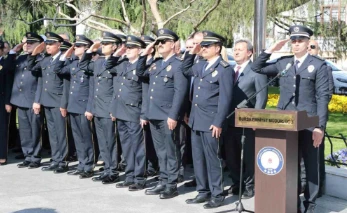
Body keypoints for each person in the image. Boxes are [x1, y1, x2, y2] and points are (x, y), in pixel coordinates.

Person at [251, 25, 330, 213]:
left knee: (310, 165)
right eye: (293, 41)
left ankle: (310, 205)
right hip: (285, 122)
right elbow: (257, 67)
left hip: (309, 122)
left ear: (308, 42)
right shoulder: (284, 63)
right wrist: (270, 50)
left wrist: (320, 126)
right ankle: (291, 202)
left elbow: (323, 97)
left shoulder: (319, 65)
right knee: (289, 164)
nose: (296, 44)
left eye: (300, 41)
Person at [182, 31, 233, 209]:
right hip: (196, 120)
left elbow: (225, 99)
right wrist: (192, 51)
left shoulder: (224, 69)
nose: (203, 49)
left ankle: (217, 194)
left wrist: (219, 122)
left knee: (213, 159)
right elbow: (185, 69)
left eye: (206, 46)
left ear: (217, 48)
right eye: (202, 46)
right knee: (198, 159)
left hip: (211, 122)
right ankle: (202, 191)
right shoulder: (200, 65)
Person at [140, 28, 189, 199]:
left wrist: (173, 115)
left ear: (172, 44)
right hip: (154, 114)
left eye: (163, 42)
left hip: (168, 115)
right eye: (158, 42)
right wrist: (144, 54)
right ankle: (163, 179)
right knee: (160, 150)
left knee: (171, 150)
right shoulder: (156, 63)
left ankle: (171, 184)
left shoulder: (178, 64)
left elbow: (180, 92)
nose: (159, 45)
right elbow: (141, 73)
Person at [223, 39, 268, 198]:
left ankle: (250, 185)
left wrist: (256, 119)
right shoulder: (229, 70)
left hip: (247, 121)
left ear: (249, 52)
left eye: (240, 49)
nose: (236, 52)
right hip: (229, 120)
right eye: (234, 49)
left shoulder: (256, 72)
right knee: (231, 155)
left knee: (248, 155)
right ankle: (237, 183)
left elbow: (262, 98)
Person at [79, 32, 121, 184]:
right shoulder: (98, 62)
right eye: (102, 44)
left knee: (111, 141)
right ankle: (107, 168)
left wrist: (114, 109)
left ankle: (113, 171)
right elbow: (83, 65)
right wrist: (91, 49)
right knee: (102, 142)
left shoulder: (118, 62)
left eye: (106, 44)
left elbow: (117, 89)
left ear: (115, 46)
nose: (102, 46)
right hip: (98, 108)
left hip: (108, 108)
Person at [106, 35, 147, 191]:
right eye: (127, 48)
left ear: (139, 50)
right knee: (127, 146)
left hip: (134, 112)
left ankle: (139, 178)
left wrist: (144, 114)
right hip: (120, 111)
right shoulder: (122, 64)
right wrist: (117, 53)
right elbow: (108, 66)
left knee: (137, 147)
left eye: (131, 48)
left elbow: (144, 92)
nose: (128, 50)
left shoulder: (142, 67)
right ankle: (129, 176)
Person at [54, 35, 95, 179]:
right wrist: (68, 51)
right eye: (75, 46)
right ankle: (82, 164)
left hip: (84, 107)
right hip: (73, 106)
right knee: (78, 137)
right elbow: (57, 68)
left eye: (78, 46)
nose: (75, 48)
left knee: (86, 137)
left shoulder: (90, 64)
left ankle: (89, 165)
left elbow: (92, 89)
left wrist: (90, 108)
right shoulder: (73, 64)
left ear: (86, 48)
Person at [27, 32, 69, 173]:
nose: (48, 46)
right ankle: (55, 159)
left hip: (58, 102)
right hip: (47, 101)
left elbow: (66, 85)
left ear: (59, 45)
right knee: (52, 133)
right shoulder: (45, 60)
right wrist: (34, 54)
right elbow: (32, 69)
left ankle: (62, 161)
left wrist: (64, 104)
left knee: (61, 133)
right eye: (47, 44)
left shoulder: (64, 60)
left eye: (51, 44)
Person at [8, 33, 44, 169]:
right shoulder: (21, 58)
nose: (27, 45)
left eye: (31, 43)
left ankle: (35, 157)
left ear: (39, 45)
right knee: (24, 131)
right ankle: (27, 155)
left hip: (32, 100)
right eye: (26, 42)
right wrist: (13, 52)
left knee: (35, 129)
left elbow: (41, 82)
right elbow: (7, 68)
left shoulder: (40, 59)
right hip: (20, 100)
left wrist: (38, 100)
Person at [140, 35, 159, 177]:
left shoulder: (155, 63)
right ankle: (149, 164)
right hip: (143, 106)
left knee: (152, 142)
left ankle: (153, 166)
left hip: (150, 107)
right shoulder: (145, 63)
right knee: (145, 140)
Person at [0, 40, 14, 165]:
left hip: (2, 100)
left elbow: (8, 84)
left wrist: (8, 102)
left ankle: (2, 155)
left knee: (2, 128)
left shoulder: (6, 63)